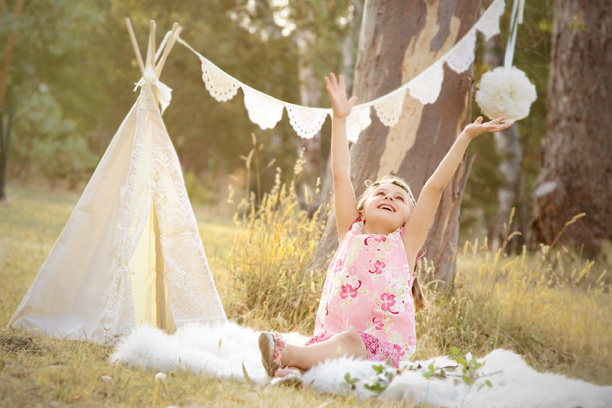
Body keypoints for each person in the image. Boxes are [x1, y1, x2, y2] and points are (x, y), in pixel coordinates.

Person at [259, 72, 510, 378]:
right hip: (332, 342)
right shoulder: (349, 232)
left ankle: (287, 352)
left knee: (350, 341)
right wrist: (340, 119)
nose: (389, 197)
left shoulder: (405, 245)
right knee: (339, 346)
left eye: (400, 198)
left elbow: (433, 188)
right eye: (380, 193)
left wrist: (466, 136)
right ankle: (291, 373)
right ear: (361, 209)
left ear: (408, 217)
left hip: (382, 353)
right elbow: (340, 173)